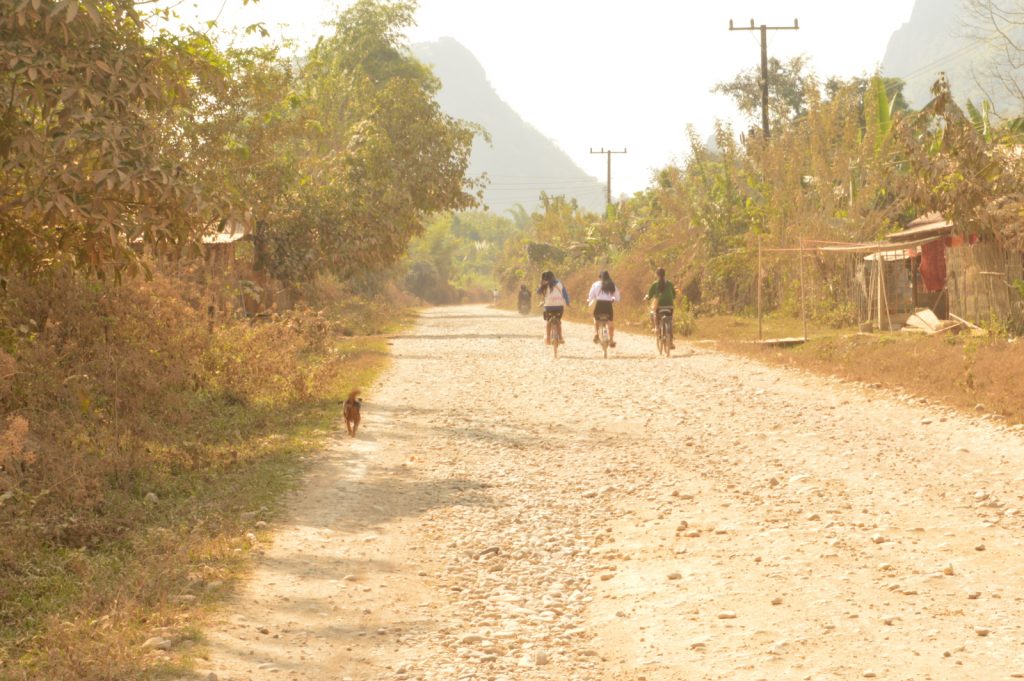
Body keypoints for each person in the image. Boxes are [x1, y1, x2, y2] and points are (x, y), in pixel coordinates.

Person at [644, 267, 676, 349]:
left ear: (656, 275)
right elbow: (674, 296)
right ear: (665, 274)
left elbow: (650, 296)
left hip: (659, 306)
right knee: (670, 321)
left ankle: (657, 328)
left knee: (654, 314)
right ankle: (671, 342)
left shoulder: (655, 284)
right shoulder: (669, 283)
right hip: (669, 306)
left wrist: (646, 298)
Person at [587, 270, 620, 347]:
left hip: (598, 304)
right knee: (610, 322)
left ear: (600, 277)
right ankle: (611, 340)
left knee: (595, 318)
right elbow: (617, 297)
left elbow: (591, 296)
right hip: (608, 305)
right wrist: (613, 299)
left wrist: (589, 300)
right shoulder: (612, 284)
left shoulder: (595, 284)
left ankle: (596, 333)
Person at [537, 271, 570, 345]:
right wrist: (567, 303)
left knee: (548, 321)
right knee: (558, 320)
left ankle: (548, 338)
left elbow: (538, 292)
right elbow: (565, 294)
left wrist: (542, 284)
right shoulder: (559, 283)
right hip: (559, 307)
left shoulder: (544, 284)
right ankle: (561, 337)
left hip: (548, 307)